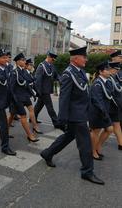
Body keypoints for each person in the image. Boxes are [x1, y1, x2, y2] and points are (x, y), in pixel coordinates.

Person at [40, 47, 104, 185]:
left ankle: (47, 153)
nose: (86, 59)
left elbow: (86, 92)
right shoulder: (68, 74)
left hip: (81, 113)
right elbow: (64, 98)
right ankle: (87, 172)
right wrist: (62, 119)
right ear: (75, 59)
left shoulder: (79, 71)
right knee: (85, 144)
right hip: (76, 116)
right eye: (84, 57)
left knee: (67, 137)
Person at [8, 53, 39, 142]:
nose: (24, 61)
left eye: (25, 60)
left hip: (25, 96)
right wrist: (13, 99)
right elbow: (11, 88)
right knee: (23, 115)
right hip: (17, 98)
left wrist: (33, 94)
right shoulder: (14, 73)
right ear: (17, 62)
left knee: (11, 116)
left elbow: (27, 84)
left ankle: (5, 130)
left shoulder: (24, 71)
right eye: (23, 60)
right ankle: (30, 135)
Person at [89, 62, 114, 160]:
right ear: (100, 71)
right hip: (97, 112)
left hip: (104, 112)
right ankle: (93, 151)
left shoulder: (106, 82)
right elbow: (97, 101)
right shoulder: (97, 84)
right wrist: (105, 114)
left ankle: (97, 147)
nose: (109, 71)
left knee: (109, 130)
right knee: (95, 132)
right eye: (107, 70)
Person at [34, 51, 59, 127]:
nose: (53, 61)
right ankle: (56, 123)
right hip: (43, 91)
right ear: (48, 57)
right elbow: (38, 80)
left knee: (39, 106)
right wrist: (38, 91)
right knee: (50, 107)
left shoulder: (51, 66)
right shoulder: (42, 66)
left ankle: (32, 118)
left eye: (54, 60)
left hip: (47, 90)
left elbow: (56, 75)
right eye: (52, 59)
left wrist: (62, 81)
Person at [25, 58, 43, 134]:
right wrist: (33, 94)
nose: (32, 66)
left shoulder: (29, 73)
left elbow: (33, 84)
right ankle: (7, 128)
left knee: (31, 110)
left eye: (32, 65)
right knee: (12, 116)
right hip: (19, 97)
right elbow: (27, 85)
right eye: (30, 65)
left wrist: (37, 93)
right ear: (26, 65)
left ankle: (35, 127)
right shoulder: (24, 73)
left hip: (25, 96)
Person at [108, 61, 122, 150]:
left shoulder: (114, 78)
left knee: (116, 124)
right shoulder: (108, 79)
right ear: (111, 69)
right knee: (105, 129)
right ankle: (95, 148)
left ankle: (121, 144)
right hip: (109, 106)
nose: (117, 71)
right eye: (116, 69)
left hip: (115, 106)